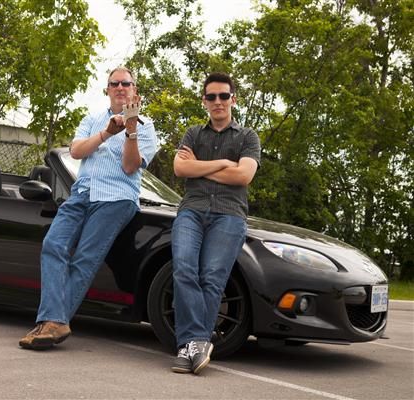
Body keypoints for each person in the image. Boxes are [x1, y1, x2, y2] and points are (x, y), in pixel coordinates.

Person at [19, 66, 158, 350]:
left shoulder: (146, 127)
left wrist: (130, 131)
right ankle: (56, 322)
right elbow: (76, 151)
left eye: (126, 83)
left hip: (116, 198)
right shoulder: (92, 119)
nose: (120, 87)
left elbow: (130, 167)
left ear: (135, 91)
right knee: (53, 244)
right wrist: (107, 133)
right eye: (114, 83)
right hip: (81, 194)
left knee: (84, 259)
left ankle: (49, 324)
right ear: (107, 89)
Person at [170, 72, 261, 374]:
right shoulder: (193, 133)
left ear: (233, 99)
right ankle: (196, 343)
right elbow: (180, 169)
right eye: (212, 97)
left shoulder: (248, 137)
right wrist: (223, 163)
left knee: (211, 277)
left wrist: (199, 168)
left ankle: (188, 347)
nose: (218, 102)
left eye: (224, 96)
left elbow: (243, 176)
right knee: (184, 269)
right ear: (204, 101)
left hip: (229, 214)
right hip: (192, 211)